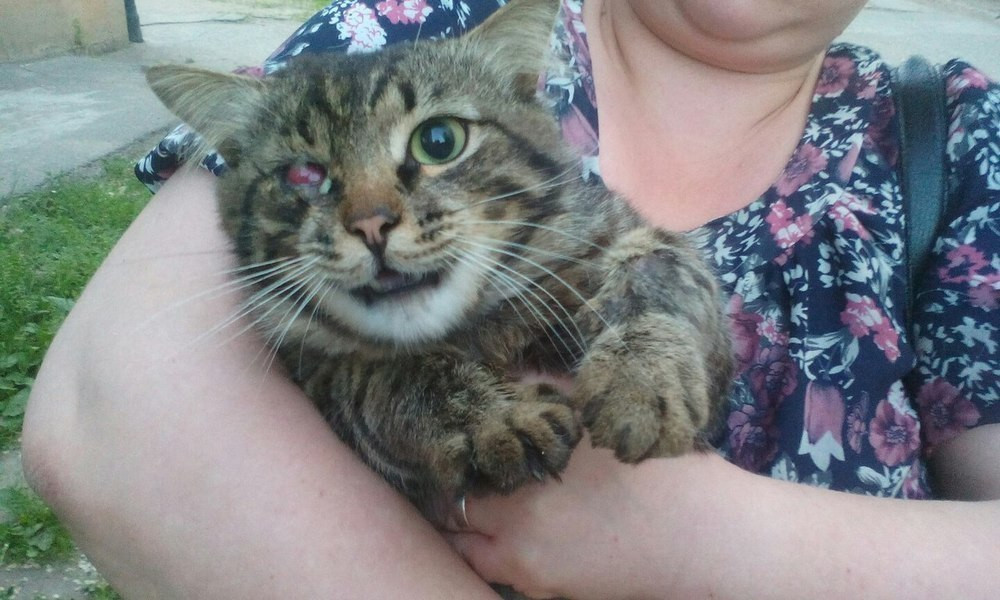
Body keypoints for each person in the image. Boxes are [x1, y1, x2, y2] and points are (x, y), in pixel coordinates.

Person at [22, 0, 1000, 598]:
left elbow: (648, 264)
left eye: (435, 143)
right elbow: (109, 414)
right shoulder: (425, 22)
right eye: (312, 177)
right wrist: (415, 396)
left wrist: (710, 540)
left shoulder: (953, 136)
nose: (373, 217)